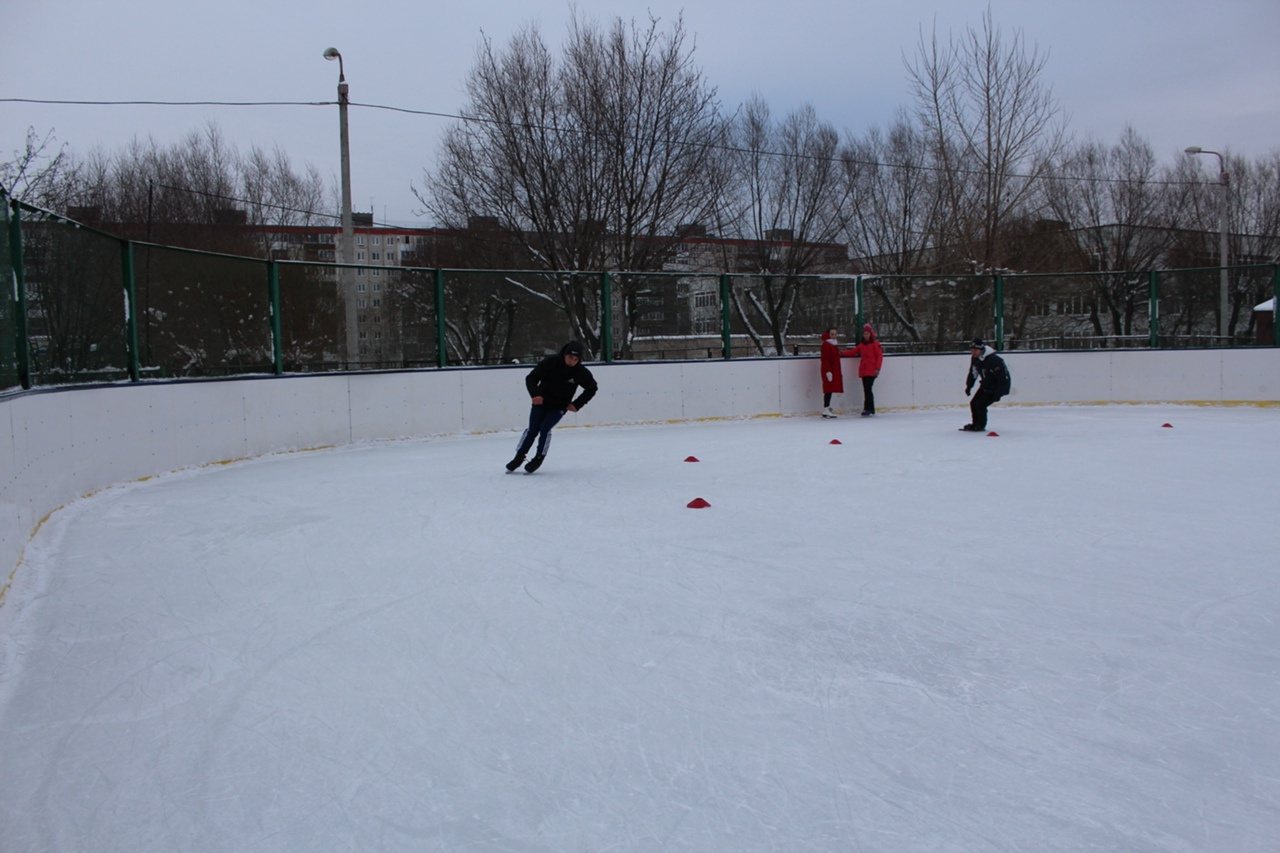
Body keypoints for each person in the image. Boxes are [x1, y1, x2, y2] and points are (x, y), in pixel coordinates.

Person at [506, 340, 598, 473]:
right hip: (540, 403)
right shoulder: (550, 363)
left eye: (576, 359)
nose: (572, 361)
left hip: (559, 407)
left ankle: (539, 457)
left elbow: (592, 388)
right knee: (532, 430)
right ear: (564, 354)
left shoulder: (580, 372)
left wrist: (577, 404)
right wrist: (535, 394)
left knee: (545, 428)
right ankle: (519, 456)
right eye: (570, 357)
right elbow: (531, 378)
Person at [962, 338, 1011, 431]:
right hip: (985, 385)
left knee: (980, 404)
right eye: (972, 350)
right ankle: (975, 424)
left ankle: (981, 425)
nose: (973, 352)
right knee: (973, 403)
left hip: (996, 387)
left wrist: (999, 393)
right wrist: (969, 386)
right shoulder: (975, 359)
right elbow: (973, 373)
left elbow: (1003, 378)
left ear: (981, 349)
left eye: (976, 350)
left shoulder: (994, 360)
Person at [845, 323, 885, 416]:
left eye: (867, 334)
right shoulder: (862, 345)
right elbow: (853, 351)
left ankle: (868, 408)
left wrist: (877, 368)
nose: (866, 336)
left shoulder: (875, 344)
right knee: (867, 389)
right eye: (864, 334)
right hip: (864, 370)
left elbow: (879, 356)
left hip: (872, 370)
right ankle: (870, 408)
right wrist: (842, 353)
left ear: (871, 334)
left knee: (868, 388)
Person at [818, 328, 857, 417]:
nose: (834, 336)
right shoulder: (827, 344)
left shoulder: (833, 344)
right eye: (832, 334)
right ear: (828, 335)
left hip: (832, 370)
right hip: (829, 370)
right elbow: (825, 359)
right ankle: (826, 408)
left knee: (830, 389)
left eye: (835, 334)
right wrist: (828, 371)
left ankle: (827, 407)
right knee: (828, 389)